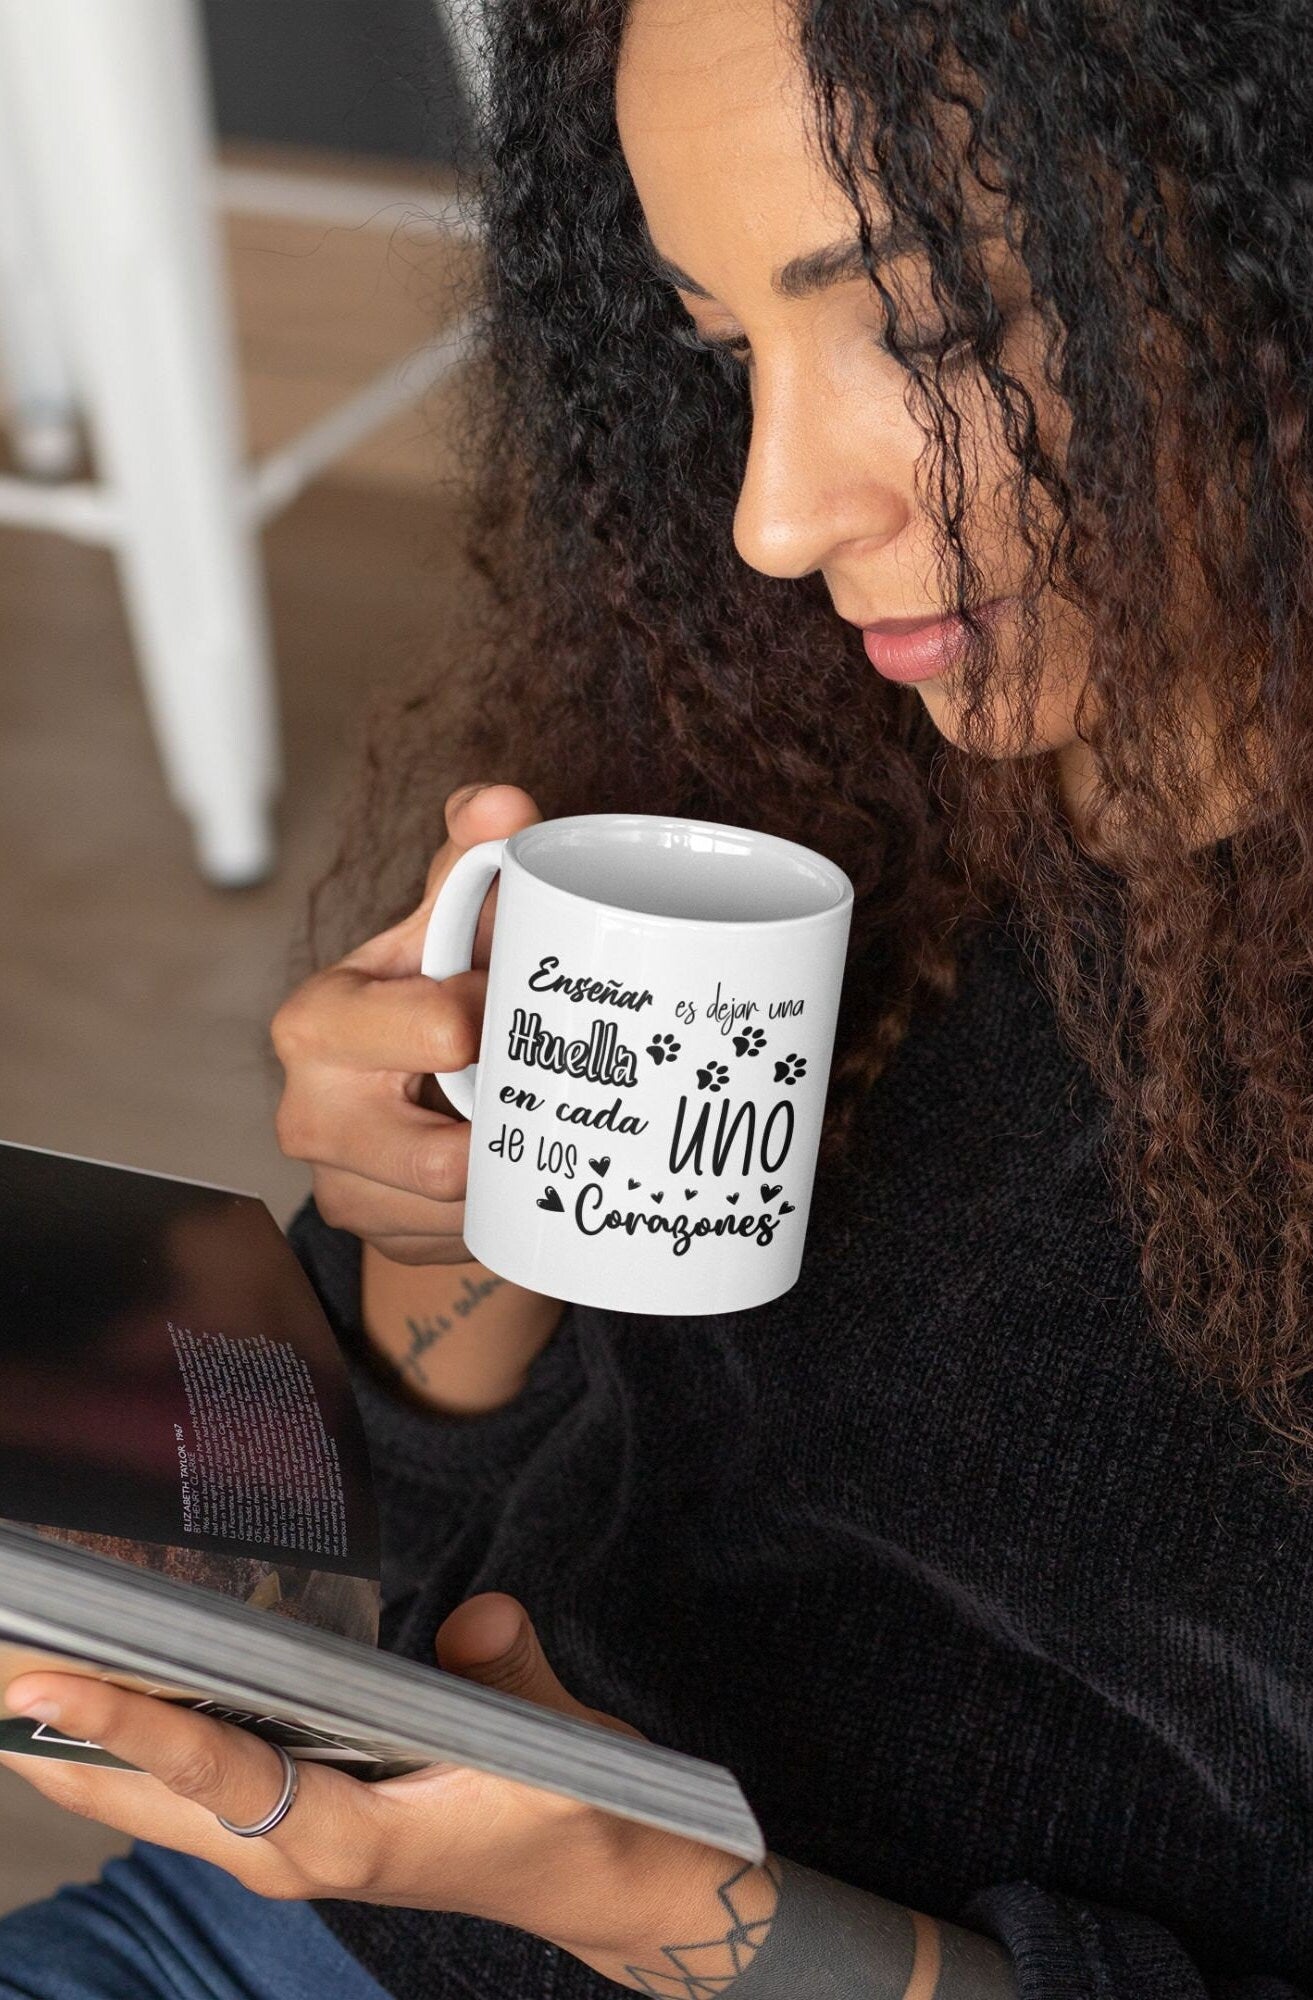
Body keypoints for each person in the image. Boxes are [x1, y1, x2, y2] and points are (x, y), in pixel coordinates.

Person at [2, 0, 1312, 1992]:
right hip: (310, 1929)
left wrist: (651, 1900)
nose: (773, 519)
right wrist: (438, 1255)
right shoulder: (795, 758)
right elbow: (393, 1560)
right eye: (720, 346)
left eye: (937, 329)